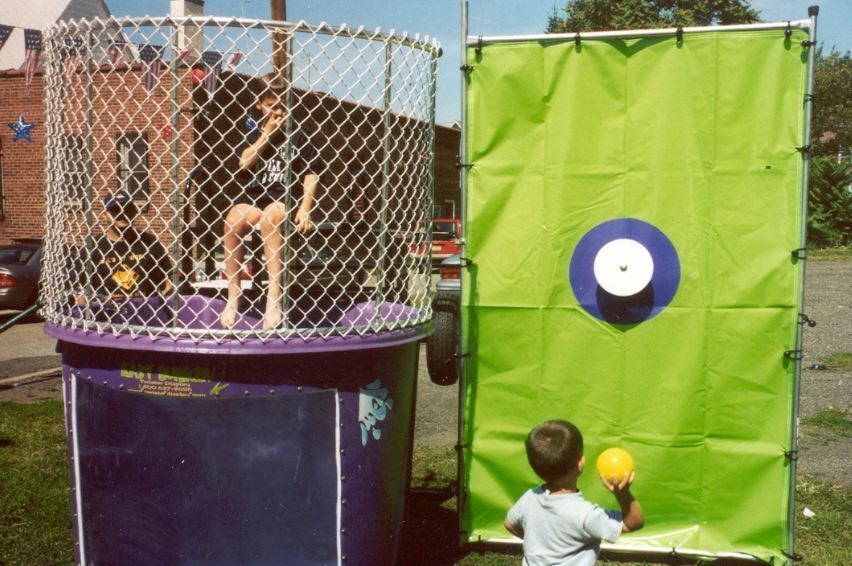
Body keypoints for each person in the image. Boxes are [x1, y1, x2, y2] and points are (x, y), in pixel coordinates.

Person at [219, 75, 321, 330]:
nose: (277, 112)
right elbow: (244, 163)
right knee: (233, 219)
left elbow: (311, 173)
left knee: (271, 217)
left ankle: (273, 299)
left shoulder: (300, 133)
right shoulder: (253, 131)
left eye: (282, 106)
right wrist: (266, 133)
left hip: (283, 198)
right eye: (271, 106)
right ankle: (233, 296)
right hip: (254, 197)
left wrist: (305, 208)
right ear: (259, 105)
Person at [504, 420, 644, 566]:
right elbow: (633, 523)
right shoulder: (586, 516)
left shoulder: (530, 498)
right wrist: (622, 493)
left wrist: (535, 544)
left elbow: (509, 524)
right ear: (580, 464)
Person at [88, 189, 173, 299]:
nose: (122, 213)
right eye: (116, 210)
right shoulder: (94, 246)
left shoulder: (149, 241)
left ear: (134, 212)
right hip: (106, 312)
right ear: (104, 215)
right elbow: (82, 290)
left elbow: (166, 283)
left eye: (127, 209)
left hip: (145, 311)